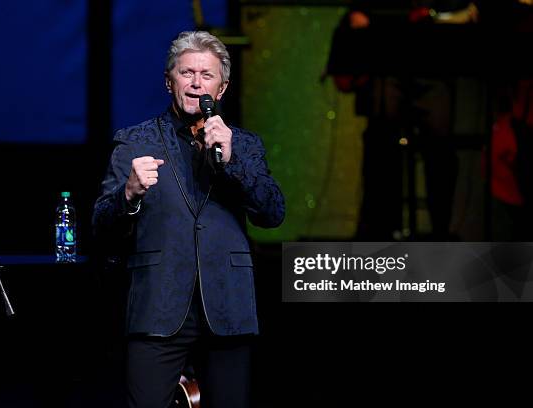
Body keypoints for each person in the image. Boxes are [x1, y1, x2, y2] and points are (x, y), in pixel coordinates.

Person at [92, 31, 285, 408]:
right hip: (158, 306)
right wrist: (128, 194)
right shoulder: (134, 141)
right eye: (186, 73)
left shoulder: (243, 145)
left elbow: (272, 212)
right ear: (170, 82)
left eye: (207, 75)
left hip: (228, 307)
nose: (197, 83)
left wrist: (231, 162)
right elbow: (100, 225)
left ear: (223, 86)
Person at [322, 1, 479, 240]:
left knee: (440, 152)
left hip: (433, 58)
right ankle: (380, 232)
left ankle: (440, 234)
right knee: (381, 145)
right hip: (387, 57)